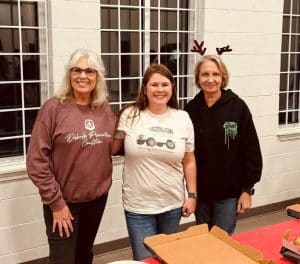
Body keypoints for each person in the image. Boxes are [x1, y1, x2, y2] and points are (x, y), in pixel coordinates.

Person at [26, 48, 116, 264]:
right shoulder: (53, 109)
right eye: (77, 70)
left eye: (90, 71)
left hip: (96, 200)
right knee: (63, 259)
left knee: (84, 254)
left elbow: (112, 145)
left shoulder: (103, 108)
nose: (83, 76)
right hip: (63, 202)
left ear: (98, 77)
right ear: (69, 74)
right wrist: (56, 204)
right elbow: (36, 161)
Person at [112, 64, 197, 260]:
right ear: (145, 89)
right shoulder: (130, 115)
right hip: (138, 206)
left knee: (167, 258)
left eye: (165, 84)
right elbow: (112, 148)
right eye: (154, 85)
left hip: (172, 204)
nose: (160, 89)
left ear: (172, 88)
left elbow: (189, 161)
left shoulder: (182, 118)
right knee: (145, 260)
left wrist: (192, 195)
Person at [185, 55, 262, 235]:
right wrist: (191, 194)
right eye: (205, 74)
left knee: (222, 242)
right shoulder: (191, 110)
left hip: (229, 194)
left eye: (215, 74)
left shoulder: (237, 107)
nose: (210, 79)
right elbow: (187, 154)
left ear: (223, 78)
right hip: (202, 194)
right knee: (203, 241)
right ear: (198, 79)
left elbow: (251, 151)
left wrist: (247, 191)